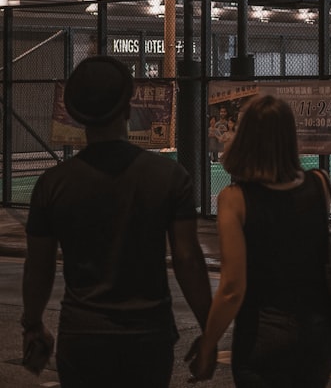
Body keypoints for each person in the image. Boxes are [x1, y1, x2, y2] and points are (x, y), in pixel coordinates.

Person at [21, 55, 213, 387]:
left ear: (79, 117)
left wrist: (33, 324)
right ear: (127, 109)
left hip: (81, 335)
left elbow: (39, 265)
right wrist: (210, 331)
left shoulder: (52, 184)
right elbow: (187, 259)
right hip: (148, 335)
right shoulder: (169, 177)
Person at [187, 94, 331, 386]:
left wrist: (208, 343)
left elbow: (232, 288)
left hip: (263, 335)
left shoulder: (234, 200)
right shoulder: (320, 184)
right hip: (318, 333)